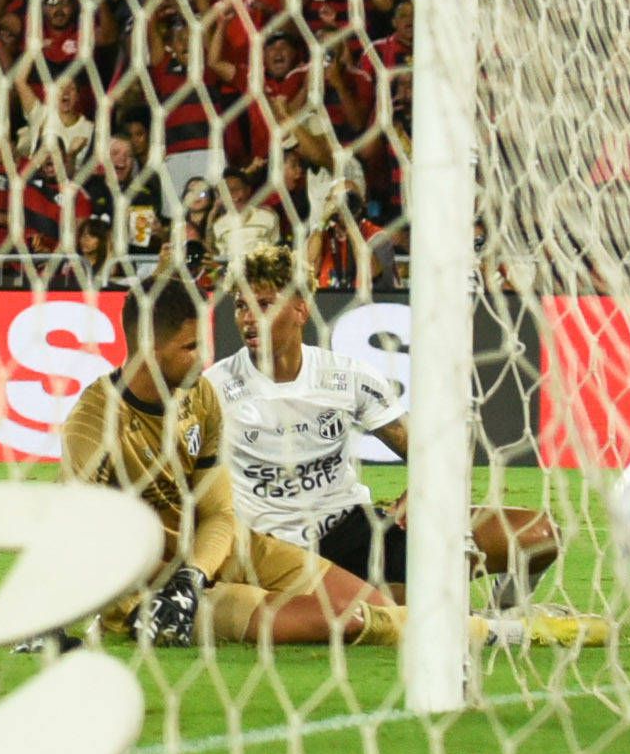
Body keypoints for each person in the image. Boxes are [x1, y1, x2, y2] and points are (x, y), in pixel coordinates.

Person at [213, 238, 565, 613]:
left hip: (350, 533)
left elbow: (427, 454)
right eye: (240, 306)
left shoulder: (345, 378)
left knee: (539, 535)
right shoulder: (215, 387)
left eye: (264, 304)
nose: (248, 318)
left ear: (300, 309)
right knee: (413, 608)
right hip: (272, 552)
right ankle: (423, 611)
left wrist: (419, 488)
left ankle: (503, 612)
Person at [60, 274, 408, 651]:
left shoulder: (201, 396)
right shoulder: (95, 424)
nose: (203, 358)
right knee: (346, 620)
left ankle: (454, 625)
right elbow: (81, 535)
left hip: (225, 551)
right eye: (191, 347)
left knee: (379, 606)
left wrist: (193, 575)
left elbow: (219, 513)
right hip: (152, 585)